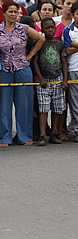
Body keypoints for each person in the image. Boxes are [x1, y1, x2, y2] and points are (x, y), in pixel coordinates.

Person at [0, 0, 44, 147]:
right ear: (4, 13)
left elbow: (41, 39)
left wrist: (30, 55)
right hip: (4, 69)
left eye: (16, 12)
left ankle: (25, 136)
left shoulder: (24, 28)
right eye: (11, 12)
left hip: (22, 68)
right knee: (4, 105)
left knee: (24, 105)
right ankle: (4, 137)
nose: (14, 14)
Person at [32, 17, 68, 145]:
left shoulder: (59, 44)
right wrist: (40, 78)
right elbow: (35, 62)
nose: (50, 30)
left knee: (58, 108)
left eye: (52, 27)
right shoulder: (40, 43)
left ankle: (54, 133)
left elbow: (64, 62)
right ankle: (42, 135)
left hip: (58, 79)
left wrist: (65, 80)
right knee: (44, 108)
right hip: (44, 81)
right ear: (42, 29)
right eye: (47, 28)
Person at [64, 2, 78, 141]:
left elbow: (72, 46)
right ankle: (77, 129)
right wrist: (72, 46)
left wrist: (75, 45)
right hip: (74, 69)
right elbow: (68, 50)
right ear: (73, 15)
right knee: (75, 102)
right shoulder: (68, 30)